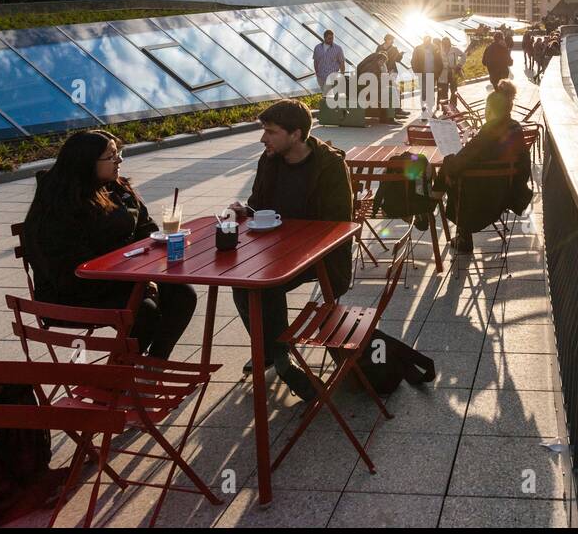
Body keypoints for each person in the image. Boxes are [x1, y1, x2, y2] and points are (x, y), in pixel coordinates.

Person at [23, 130, 196, 359]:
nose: (119, 160)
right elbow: (68, 269)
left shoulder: (115, 187)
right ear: (86, 162)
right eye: (111, 156)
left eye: (118, 153)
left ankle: (152, 365)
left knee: (182, 293)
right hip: (72, 292)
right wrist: (138, 280)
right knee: (143, 312)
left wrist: (149, 271)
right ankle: (115, 378)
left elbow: (146, 228)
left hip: (121, 279)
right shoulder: (59, 206)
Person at [227, 100, 353, 401]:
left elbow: (337, 226)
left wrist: (290, 239)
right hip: (275, 250)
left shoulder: (330, 166)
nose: (263, 139)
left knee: (264, 287)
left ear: (296, 135)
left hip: (321, 257)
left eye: (270, 132)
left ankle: (280, 359)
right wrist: (245, 209)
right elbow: (259, 201)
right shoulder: (269, 159)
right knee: (241, 283)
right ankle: (273, 351)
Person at [436, 82, 533, 253]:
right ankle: (432, 198)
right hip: (508, 192)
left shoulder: (489, 133)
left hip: (481, 197)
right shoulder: (515, 128)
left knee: (451, 169)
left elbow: (461, 161)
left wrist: (449, 162)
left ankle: (432, 203)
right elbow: (523, 164)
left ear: (489, 110)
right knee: (455, 170)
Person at [410, 34, 443, 117]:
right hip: (423, 74)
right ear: (423, 41)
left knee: (431, 92)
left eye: (428, 41)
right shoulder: (418, 49)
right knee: (424, 92)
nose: (427, 43)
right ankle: (424, 111)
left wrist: (438, 72)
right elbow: (413, 61)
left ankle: (430, 110)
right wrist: (417, 72)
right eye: (426, 41)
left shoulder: (435, 48)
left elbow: (439, 61)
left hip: (433, 74)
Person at [312, 29, 346, 94]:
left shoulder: (338, 49)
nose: (331, 40)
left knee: (327, 94)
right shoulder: (317, 48)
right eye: (329, 38)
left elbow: (342, 62)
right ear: (324, 38)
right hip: (320, 77)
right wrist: (317, 73)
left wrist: (342, 75)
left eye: (332, 38)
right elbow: (315, 61)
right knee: (325, 94)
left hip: (332, 77)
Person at [437, 36, 465, 106]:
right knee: (444, 91)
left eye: (447, 42)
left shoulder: (454, 49)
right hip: (443, 74)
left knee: (454, 90)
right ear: (442, 43)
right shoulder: (439, 51)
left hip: (453, 72)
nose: (446, 44)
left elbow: (463, 55)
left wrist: (459, 65)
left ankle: (453, 105)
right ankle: (445, 108)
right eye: (444, 43)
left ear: (449, 43)